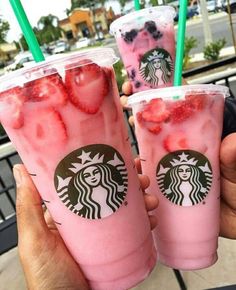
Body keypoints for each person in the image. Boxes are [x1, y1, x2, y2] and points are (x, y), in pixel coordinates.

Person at [13, 158, 158, 290]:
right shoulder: (85, 199)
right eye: (87, 176)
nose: (93, 177)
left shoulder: (112, 190)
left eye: (95, 172)